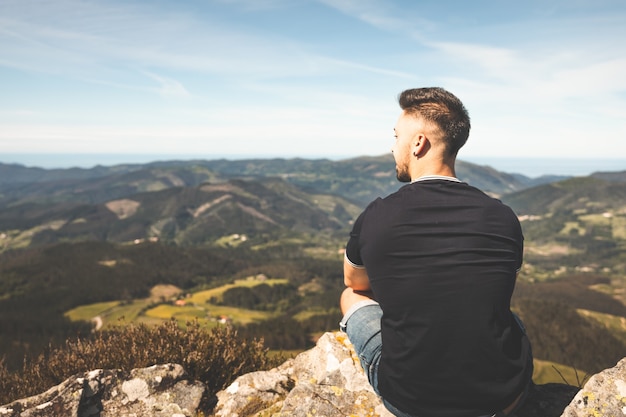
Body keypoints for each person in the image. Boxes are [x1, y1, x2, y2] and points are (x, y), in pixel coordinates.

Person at [339, 87, 533, 417]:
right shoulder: (502, 216)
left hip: (411, 402)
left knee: (350, 297)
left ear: (418, 143)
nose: (392, 145)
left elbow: (355, 281)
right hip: (504, 400)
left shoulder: (377, 215)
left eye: (396, 135)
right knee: (508, 315)